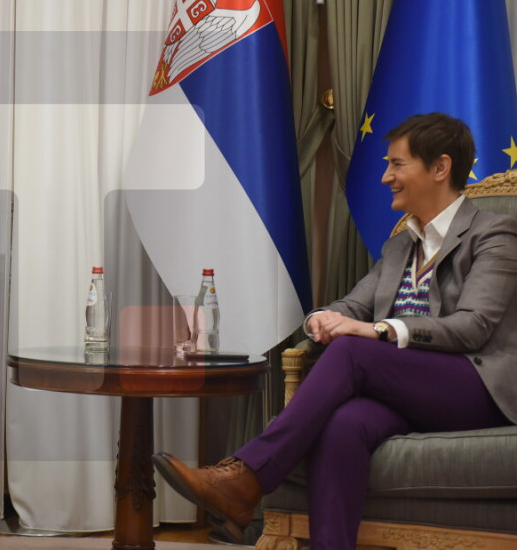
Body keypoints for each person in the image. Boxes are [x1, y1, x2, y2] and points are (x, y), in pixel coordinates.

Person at [153, 112, 517, 549]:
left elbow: (474, 327)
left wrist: (377, 330)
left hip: (475, 388)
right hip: (406, 389)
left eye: (397, 164)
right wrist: (322, 319)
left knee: (351, 352)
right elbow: (352, 305)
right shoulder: (401, 245)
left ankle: (246, 478)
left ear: (440, 167)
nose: (385, 177)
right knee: (343, 424)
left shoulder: (494, 233)